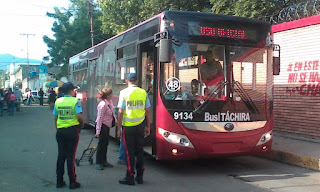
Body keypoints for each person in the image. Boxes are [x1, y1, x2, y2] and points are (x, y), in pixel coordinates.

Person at [117, 73, 151, 185]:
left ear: (127, 81)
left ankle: (130, 176)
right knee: (140, 151)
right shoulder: (143, 92)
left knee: (129, 152)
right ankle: (140, 176)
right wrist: (148, 126)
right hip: (140, 126)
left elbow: (120, 111)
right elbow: (148, 111)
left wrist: (118, 127)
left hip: (128, 127)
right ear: (137, 81)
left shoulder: (124, 93)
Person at [53, 82, 84, 189]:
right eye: (74, 90)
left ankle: (59, 181)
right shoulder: (75, 101)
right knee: (71, 156)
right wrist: (82, 125)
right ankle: (72, 181)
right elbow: (79, 116)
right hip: (72, 131)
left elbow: (55, 117)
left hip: (60, 131)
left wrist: (58, 129)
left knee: (61, 156)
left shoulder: (58, 101)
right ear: (71, 91)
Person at [95, 88, 116, 170]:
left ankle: (104, 161)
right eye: (111, 94)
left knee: (105, 144)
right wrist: (98, 131)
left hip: (107, 126)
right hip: (102, 126)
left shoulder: (109, 102)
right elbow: (99, 118)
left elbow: (112, 113)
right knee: (101, 144)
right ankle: (98, 162)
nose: (113, 95)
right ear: (108, 95)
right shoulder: (102, 105)